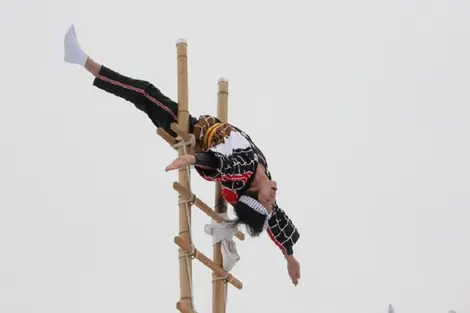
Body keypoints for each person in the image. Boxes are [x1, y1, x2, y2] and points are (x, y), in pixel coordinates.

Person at [63, 24, 301, 285]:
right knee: (145, 93)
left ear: (255, 192)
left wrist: (192, 157)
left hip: (190, 136)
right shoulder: (263, 175)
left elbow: (221, 162)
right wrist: (289, 256)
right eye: (271, 202)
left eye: (267, 200)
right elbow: (277, 223)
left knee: (144, 93)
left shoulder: (243, 171)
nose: (273, 198)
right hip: (203, 132)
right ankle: (82, 60)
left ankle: (83, 60)